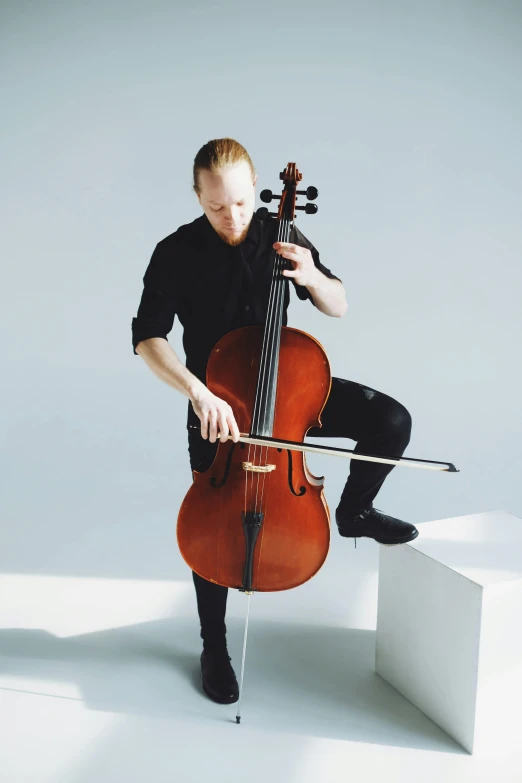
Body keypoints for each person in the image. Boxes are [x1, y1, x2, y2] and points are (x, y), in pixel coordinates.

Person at [131, 138, 419, 706]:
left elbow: (337, 304)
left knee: (390, 421)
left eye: (240, 203)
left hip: (289, 394)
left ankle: (354, 511)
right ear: (197, 197)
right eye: (216, 207)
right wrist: (197, 393)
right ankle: (213, 645)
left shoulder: (281, 232)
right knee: (213, 524)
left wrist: (311, 274)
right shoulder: (175, 251)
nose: (232, 217)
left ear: (255, 191)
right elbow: (148, 338)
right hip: (220, 406)